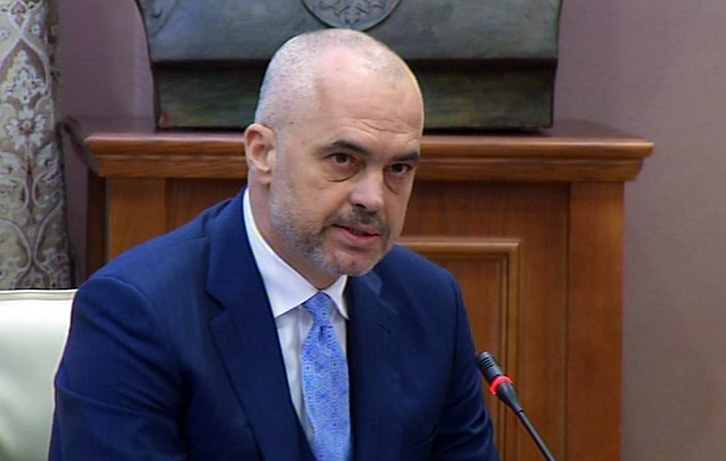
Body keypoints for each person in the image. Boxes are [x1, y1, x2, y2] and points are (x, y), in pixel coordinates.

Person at [50, 29, 500, 460]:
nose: (373, 198)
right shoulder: (137, 312)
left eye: (398, 169)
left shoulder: (430, 300)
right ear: (262, 152)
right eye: (343, 159)